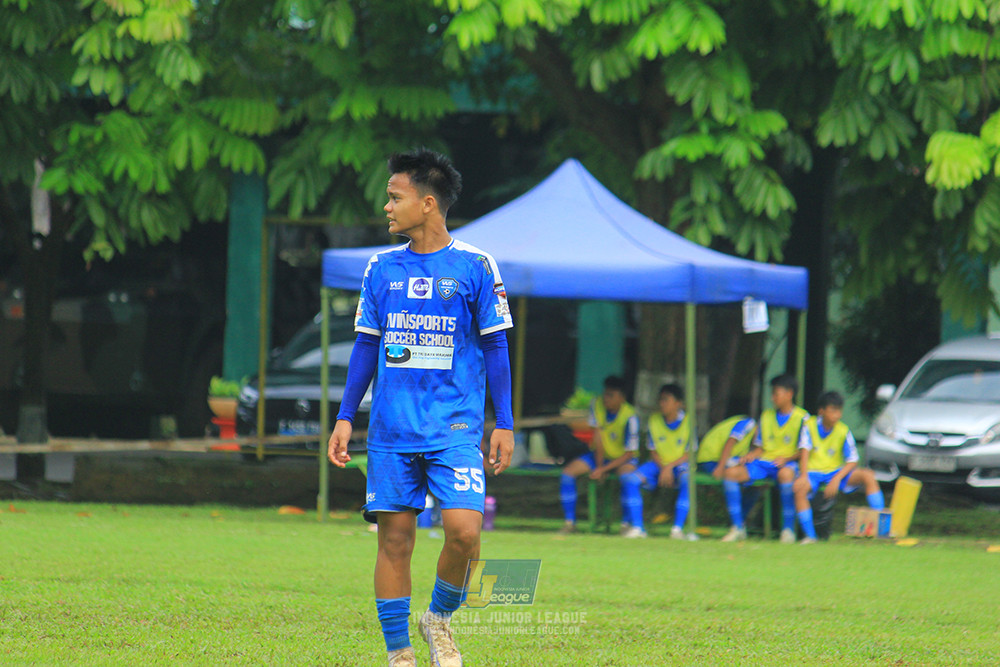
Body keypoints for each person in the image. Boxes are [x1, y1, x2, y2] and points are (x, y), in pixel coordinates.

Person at [327, 148, 514, 667]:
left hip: (455, 428)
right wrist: (345, 416)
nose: (387, 207)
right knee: (395, 542)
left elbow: (496, 346)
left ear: (428, 203)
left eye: (395, 197)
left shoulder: (476, 266)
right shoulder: (380, 268)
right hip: (391, 430)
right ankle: (400, 654)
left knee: (465, 533)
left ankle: (438, 620)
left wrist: (504, 422)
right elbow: (366, 345)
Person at [721, 374, 809, 543]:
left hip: (786, 464)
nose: (772, 398)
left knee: (785, 475)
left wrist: (787, 458)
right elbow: (760, 447)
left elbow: (805, 450)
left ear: (789, 394)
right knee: (730, 474)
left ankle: (788, 530)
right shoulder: (766, 415)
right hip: (763, 463)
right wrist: (751, 455)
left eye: (776, 394)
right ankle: (738, 527)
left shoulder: (803, 418)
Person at [793, 391, 885, 544]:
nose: (837, 415)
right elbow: (804, 452)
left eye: (839, 411)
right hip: (812, 473)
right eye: (833, 410)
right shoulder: (809, 426)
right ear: (821, 411)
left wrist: (836, 479)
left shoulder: (843, 430)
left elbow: (853, 460)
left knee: (868, 475)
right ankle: (810, 536)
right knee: (799, 489)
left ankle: (882, 528)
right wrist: (803, 476)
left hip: (835, 473)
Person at [558, 375, 640, 534]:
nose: (606, 399)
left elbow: (629, 454)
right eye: (605, 394)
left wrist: (603, 470)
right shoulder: (596, 404)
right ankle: (569, 522)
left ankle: (626, 524)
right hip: (599, 456)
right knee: (567, 474)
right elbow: (598, 436)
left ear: (622, 398)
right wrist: (599, 466)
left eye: (611, 395)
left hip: (622, 459)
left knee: (628, 478)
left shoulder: (630, 416)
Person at [618, 384, 693, 539]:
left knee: (687, 479)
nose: (661, 404)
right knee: (631, 480)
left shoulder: (689, 422)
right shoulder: (654, 420)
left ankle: (677, 529)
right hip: (658, 463)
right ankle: (638, 528)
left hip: (679, 464)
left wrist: (669, 467)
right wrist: (664, 468)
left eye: (666, 400)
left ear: (678, 403)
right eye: (660, 400)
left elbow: (689, 454)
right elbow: (653, 451)